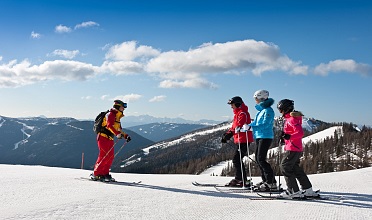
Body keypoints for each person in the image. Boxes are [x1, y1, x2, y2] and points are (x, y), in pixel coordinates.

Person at [276, 99, 319, 198]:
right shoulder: (290, 119)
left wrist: (289, 137)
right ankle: (307, 189)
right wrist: (285, 138)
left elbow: (300, 133)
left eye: (281, 110)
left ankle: (293, 191)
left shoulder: (292, 119)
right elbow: (292, 133)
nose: (280, 112)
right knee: (295, 168)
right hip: (294, 147)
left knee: (285, 166)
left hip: (293, 148)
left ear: (286, 109)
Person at [90, 100, 131, 182]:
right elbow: (109, 126)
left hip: (110, 138)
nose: (124, 108)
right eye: (123, 107)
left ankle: (105, 173)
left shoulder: (117, 117)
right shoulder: (111, 114)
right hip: (102, 137)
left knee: (110, 157)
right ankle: (97, 174)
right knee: (104, 156)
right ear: (118, 107)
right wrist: (117, 134)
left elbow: (119, 129)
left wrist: (125, 136)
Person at [248, 90, 277, 191]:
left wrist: (252, 128)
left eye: (256, 99)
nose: (255, 101)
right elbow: (255, 123)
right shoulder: (260, 111)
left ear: (261, 99)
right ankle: (265, 180)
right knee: (258, 158)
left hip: (266, 136)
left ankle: (271, 182)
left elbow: (266, 124)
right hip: (259, 136)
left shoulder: (269, 111)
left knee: (261, 159)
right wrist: (246, 127)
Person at [221, 96, 254, 187]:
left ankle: (241, 180)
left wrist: (229, 134)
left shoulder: (243, 113)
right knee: (237, 159)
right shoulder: (238, 114)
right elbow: (234, 127)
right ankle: (241, 179)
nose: (231, 106)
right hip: (240, 139)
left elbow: (239, 126)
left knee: (237, 159)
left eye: (232, 104)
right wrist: (227, 134)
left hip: (244, 139)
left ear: (237, 104)